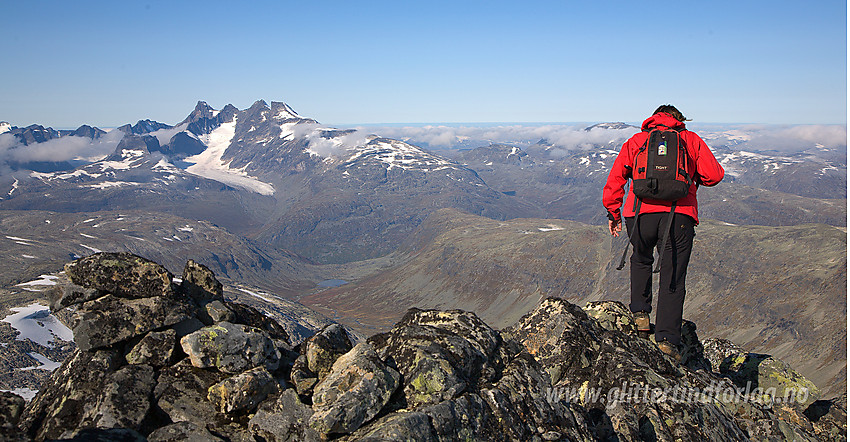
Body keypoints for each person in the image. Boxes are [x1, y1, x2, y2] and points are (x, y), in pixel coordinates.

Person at [602, 104, 724, 362]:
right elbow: (714, 175)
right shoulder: (689, 140)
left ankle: (640, 316)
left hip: (638, 214)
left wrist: (614, 213)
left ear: (653, 119)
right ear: (679, 120)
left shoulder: (637, 141)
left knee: (641, 258)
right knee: (673, 276)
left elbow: (616, 179)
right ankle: (667, 340)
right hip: (678, 216)